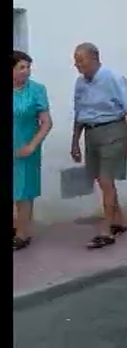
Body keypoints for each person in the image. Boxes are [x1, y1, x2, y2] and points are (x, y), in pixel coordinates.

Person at [71, 43, 127, 249]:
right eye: (75, 60)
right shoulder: (80, 83)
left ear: (94, 58)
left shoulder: (112, 78)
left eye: (80, 59)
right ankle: (118, 219)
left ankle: (106, 230)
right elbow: (79, 114)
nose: (76, 64)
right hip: (91, 133)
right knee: (102, 180)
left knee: (106, 179)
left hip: (113, 130)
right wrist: (75, 141)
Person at [13, 50, 51, 251]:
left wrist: (32, 145)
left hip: (25, 147)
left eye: (28, 67)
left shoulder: (36, 90)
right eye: (21, 67)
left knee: (23, 190)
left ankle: (22, 233)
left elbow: (46, 122)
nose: (26, 71)